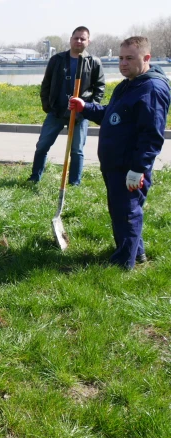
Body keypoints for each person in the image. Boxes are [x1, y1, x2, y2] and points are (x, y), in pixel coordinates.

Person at [69, 36, 170, 269]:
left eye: (129, 58)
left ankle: (124, 263)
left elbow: (152, 135)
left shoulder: (151, 88)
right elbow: (112, 115)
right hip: (115, 164)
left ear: (146, 58)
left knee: (127, 212)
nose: (123, 63)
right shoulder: (129, 84)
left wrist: (138, 169)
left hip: (129, 166)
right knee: (121, 210)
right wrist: (86, 108)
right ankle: (137, 253)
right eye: (120, 58)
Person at [28, 26, 105, 186]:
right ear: (71, 39)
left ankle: (74, 183)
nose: (79, 41)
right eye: (76, 38)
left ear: (88, 41)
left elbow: (99, 88)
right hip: (56, 112)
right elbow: (46, 84)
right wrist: (48, 106)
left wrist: (90, 109)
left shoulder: (94, 62)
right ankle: (35, 177)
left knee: (77, 151)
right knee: (42, 146)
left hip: (80, 114)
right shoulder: (57, 60)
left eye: (82, 38)